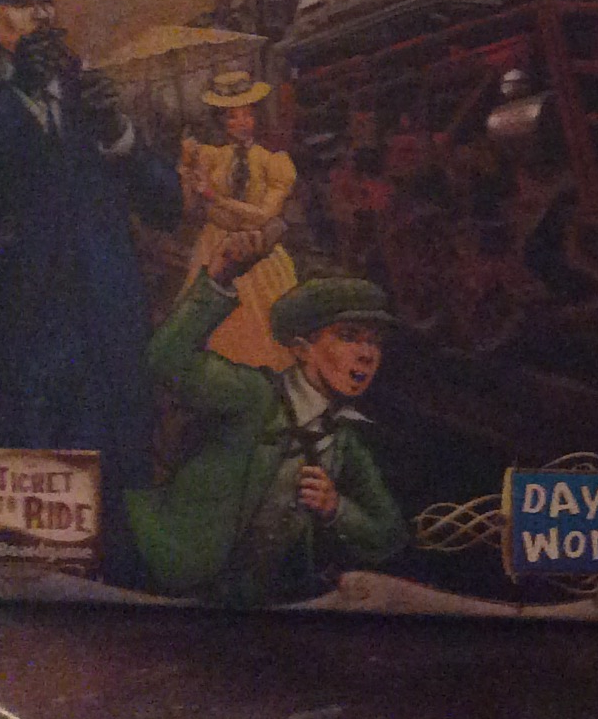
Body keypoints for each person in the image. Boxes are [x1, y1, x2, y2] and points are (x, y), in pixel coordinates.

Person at [0, 0, 182, 522]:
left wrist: (119, 135)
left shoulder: (88, 91)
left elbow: (169, 204)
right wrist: (18, 94)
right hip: (25, 366)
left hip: (113, 353)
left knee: (125, 523)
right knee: (45, 541)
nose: (43, 14)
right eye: (23, 3)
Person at [125, 235, 407, 608]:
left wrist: (336, 508)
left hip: (265, 608)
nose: (367, 354)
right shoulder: (252, 394)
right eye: (348, 337)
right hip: (178, 585)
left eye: (374, 342)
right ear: (302, 348)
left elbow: (389, 534)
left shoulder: (340, 438)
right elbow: (167, 361)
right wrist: (219, 278)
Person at [177, 70, 300, 370]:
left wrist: (215, 197)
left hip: (257, 248)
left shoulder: (273, 161)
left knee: (269, 328)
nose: (242, 122)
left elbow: (264, 215)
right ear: (222, 121)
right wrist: (186, 168)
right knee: (218, 326)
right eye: (233, 117)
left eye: (247, 114)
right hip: (214, 247)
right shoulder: (211, 157)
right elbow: (189, 208)